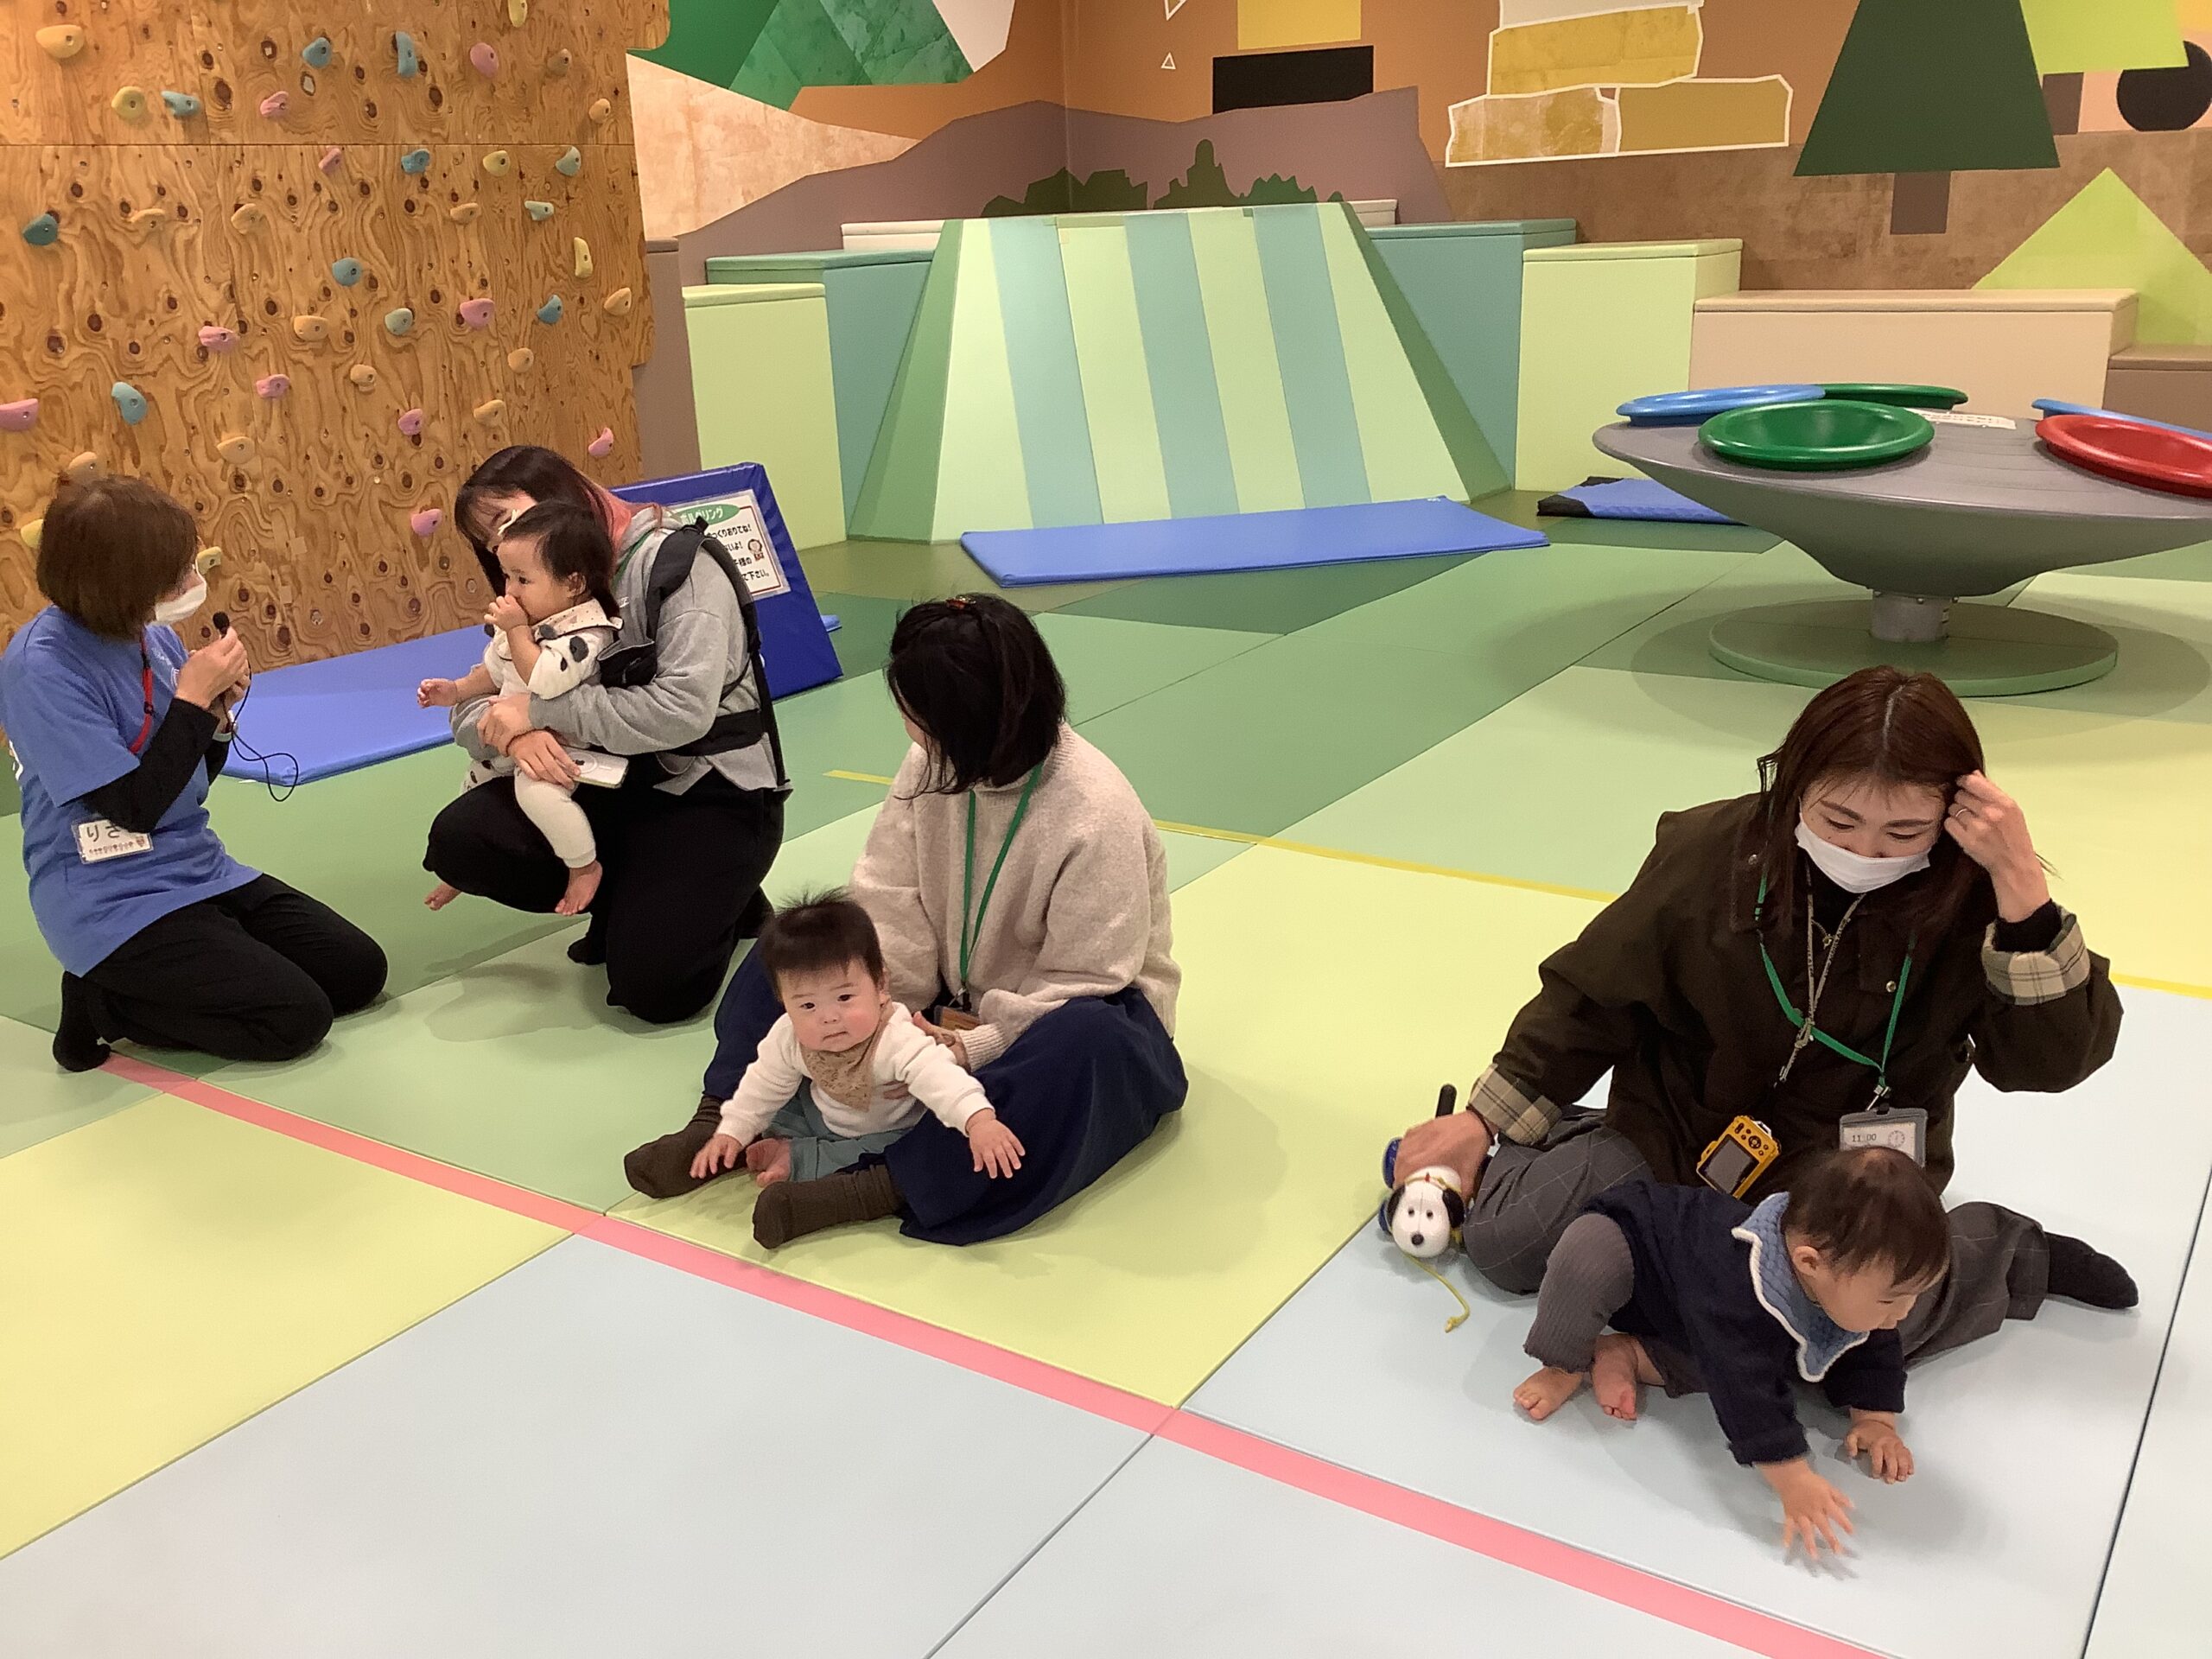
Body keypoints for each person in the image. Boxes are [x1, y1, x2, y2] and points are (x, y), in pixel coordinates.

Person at [1394, 665, 2132, 1362]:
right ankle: (1561, 1133)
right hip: (1675, 1127)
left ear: (1954, 813)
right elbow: (1593, 994)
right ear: (1794, 782)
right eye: (1839, 819)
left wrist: (2023, 889)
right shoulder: (1710, 852)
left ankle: (2002, 1254)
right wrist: (1483, 1120)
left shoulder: (1976, 897)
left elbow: (2048, 1064)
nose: (1865, 850)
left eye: (1904, 833)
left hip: (1842, 1170)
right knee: (1511, 1247)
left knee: (1841, 1329)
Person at [625, 594, 1187, 1247]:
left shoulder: (1095, 812)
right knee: (799, 952)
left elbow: (1086, 978)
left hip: (1056, 1015)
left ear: (974, 721)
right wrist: (885, 1006)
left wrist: (973, 1045)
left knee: (1086, 1045)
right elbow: (886, 896)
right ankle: (723, 1123)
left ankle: (876, 1184)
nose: (909, 729)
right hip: (947, 996)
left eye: (920, 717)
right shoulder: (935, 763)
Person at [0, 475, 386, 1070]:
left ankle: (193, 960)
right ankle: (103, 1002)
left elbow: (191, 775)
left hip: (195, 865)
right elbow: (131, 808)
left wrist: (217, 716)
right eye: (175, 572)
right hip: (108, 896)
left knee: (357, 973)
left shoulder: (152, 637)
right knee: (294, 1020)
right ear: (120, 581)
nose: (188, 583)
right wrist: (191, 702)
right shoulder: (40, 667)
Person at [422, 446, 785, 1024]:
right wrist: (515, 737)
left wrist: (542, 712)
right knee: (461, 840)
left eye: (506, 518)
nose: (501, 542)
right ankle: (624, 892)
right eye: (489, 540)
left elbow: (682, 712)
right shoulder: (533, 582)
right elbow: (482, 699)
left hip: (706, 786)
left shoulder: (679, 566)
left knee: (656, 991)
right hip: (606, 780)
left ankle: (729, 895)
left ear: (561, 492)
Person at [1516, 1147, 1949, 1560]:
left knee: (1745, 1358)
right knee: (1587, 1258)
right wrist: (1792, 1478)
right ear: (1810, 1263)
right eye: (1891, 1299)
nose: (1904, 1312)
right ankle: (1564, 1364)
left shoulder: (1836, 1285)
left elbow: (1870, 1343)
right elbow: (1746, 1393)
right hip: (1633, 1252)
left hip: (1688, 1317)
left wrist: (1875, 1420)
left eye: (1914, 1295)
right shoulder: (1740, 1289)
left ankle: (1628, 1352)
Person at [690, 892, 1027, 1243]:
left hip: (887, 1128)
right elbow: (763, 1085)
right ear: (784, 1002)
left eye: (844, 998)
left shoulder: (895, 1039)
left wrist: (979, 1121)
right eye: (807, 1005)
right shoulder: (789, 1035)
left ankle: (798, 1157)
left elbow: (942, 1079)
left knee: (887, 1152)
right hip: (823, 1110)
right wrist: (733, 1131)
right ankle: (743, 1144)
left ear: (880, 985)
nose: (829, 1017)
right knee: (780, 1101)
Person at [419, 500, 620, 918]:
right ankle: (460, 874)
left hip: (561, 748)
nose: (510, 590)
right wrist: (455, 690)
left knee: (538, 796)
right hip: (511, 739)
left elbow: (543, 680)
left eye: (523, 579)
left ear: (573, 583)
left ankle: (583, 866)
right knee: (472, 787)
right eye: (508, 577)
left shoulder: (585, 632)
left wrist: (515, 631)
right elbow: (494, 672)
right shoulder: (531, 616)